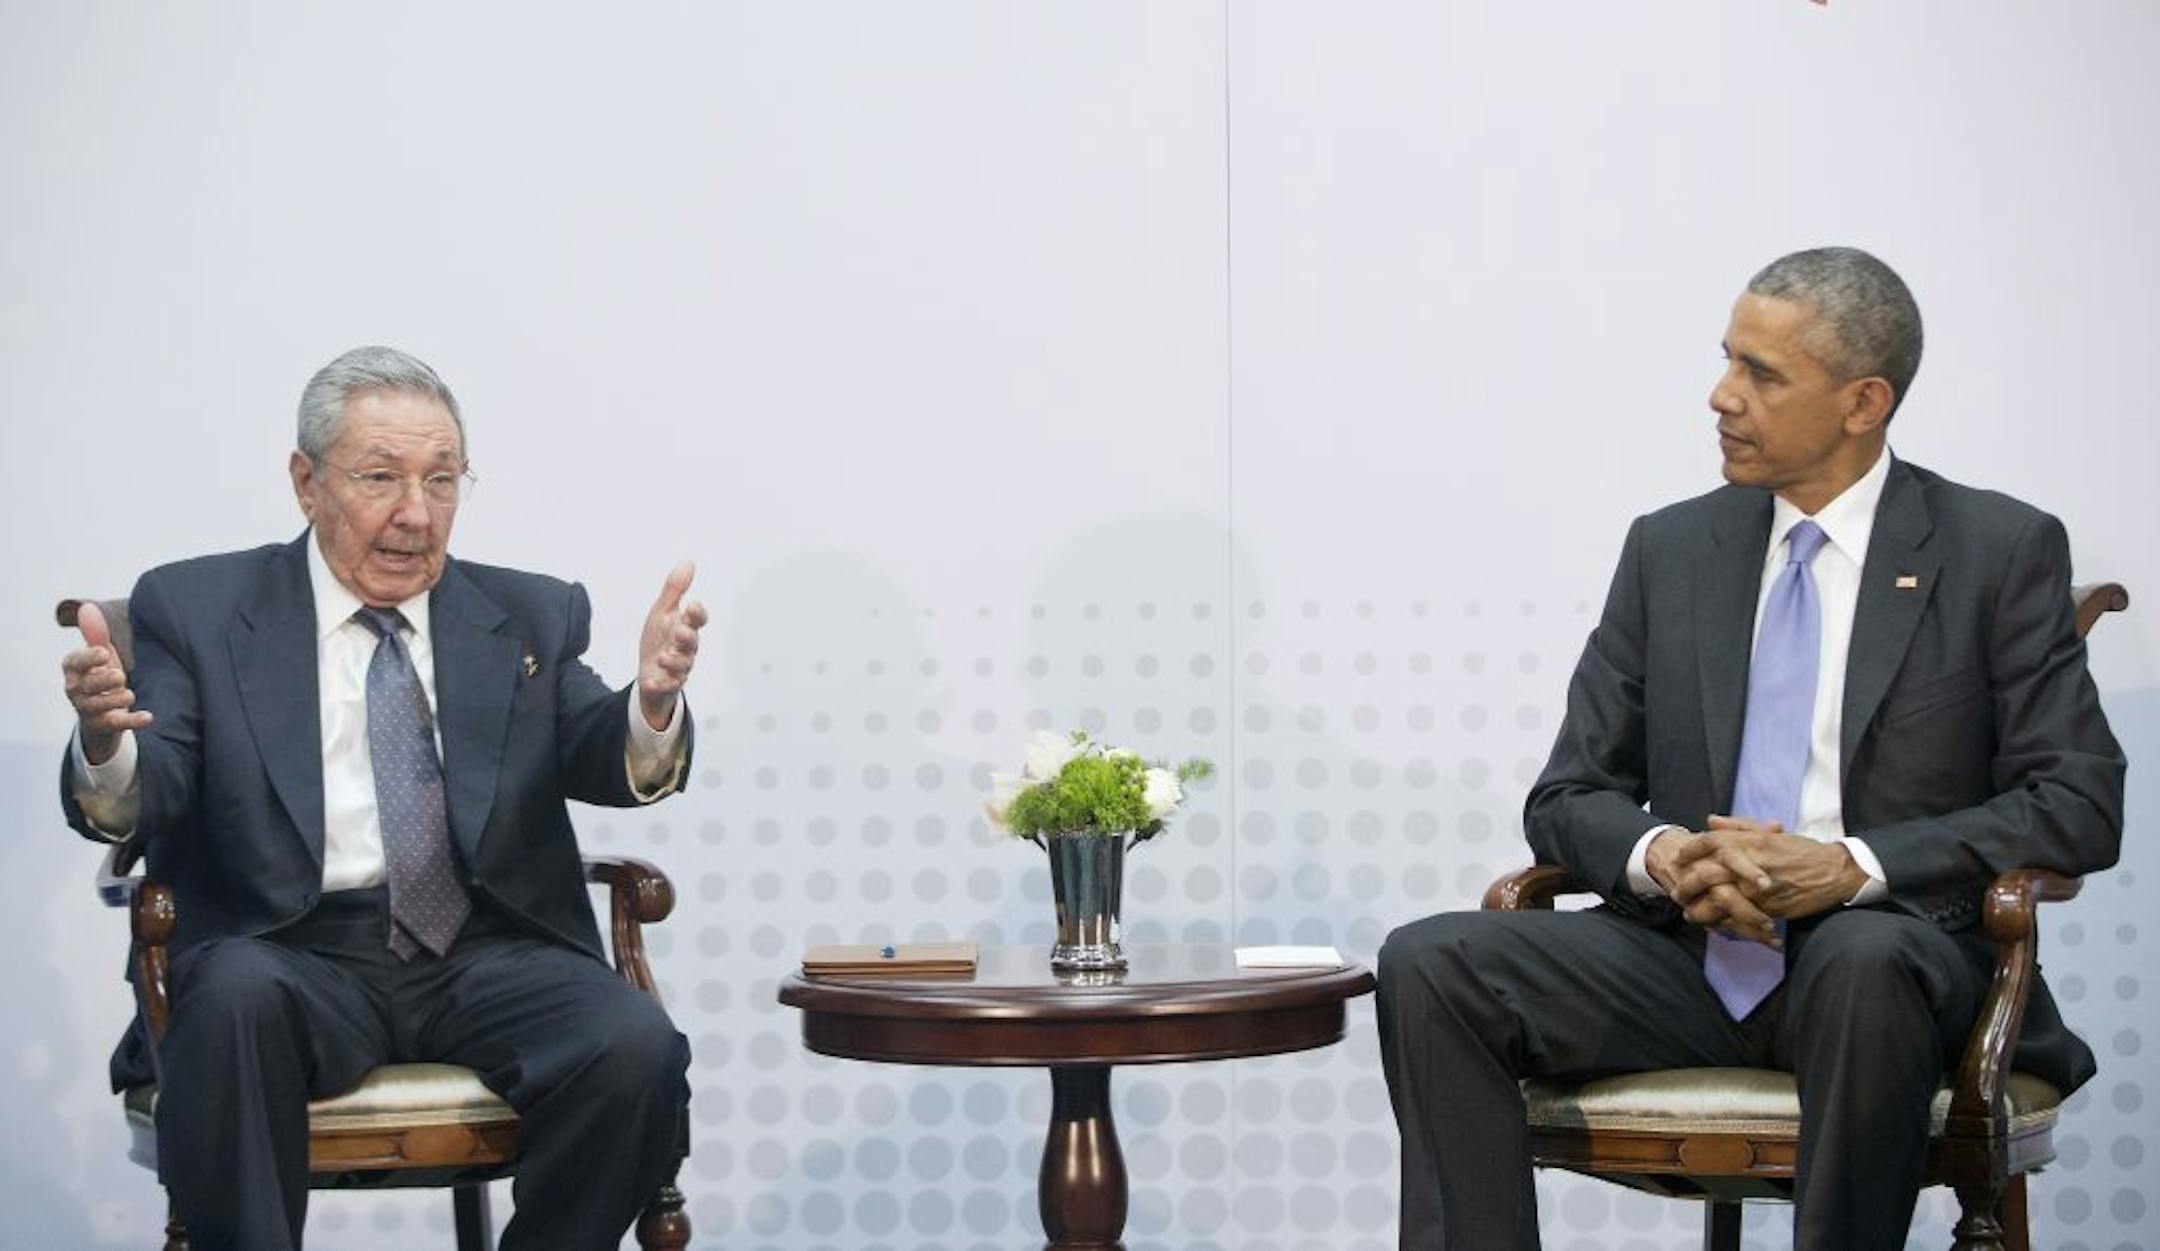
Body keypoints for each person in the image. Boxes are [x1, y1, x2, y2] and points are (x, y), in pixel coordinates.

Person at [1375, 248, 2124, 1250]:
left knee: (1866, 960)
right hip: (1686, 957)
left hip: (1889, 957)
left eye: (1761, 375)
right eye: (1728, 360)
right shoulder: (1672, 550)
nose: (1722, 397)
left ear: (1864, 402)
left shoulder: (1996, 551)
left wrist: (1848, 869)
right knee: (1432, 962)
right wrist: (1666, 857)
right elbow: (1571, 792)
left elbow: (2077, 800)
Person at [59, 346, 707, 1251]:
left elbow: (602, 754)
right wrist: (105, 741)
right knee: (234, 995)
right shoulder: (200, 608)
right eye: (381, 477)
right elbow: (151, 783)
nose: (416, 512)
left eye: (443, 480)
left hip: (484, 951)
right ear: (305, 481)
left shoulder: (527, 614)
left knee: (632, 1045)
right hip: (289, 949)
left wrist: (649, 705)